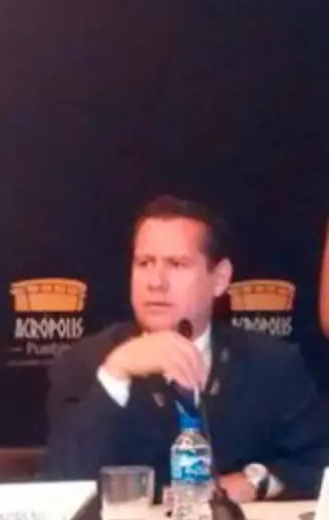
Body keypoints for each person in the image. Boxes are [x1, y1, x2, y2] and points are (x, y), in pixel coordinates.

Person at [46, 195, 329, 502]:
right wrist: (116, 374)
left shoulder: (271, 363)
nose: (156, 282)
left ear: (219, 279)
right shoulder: (85, 364)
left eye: (177, 264)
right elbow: (64, 479)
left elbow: (317, 462)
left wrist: (255, 481)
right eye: (144, 263)